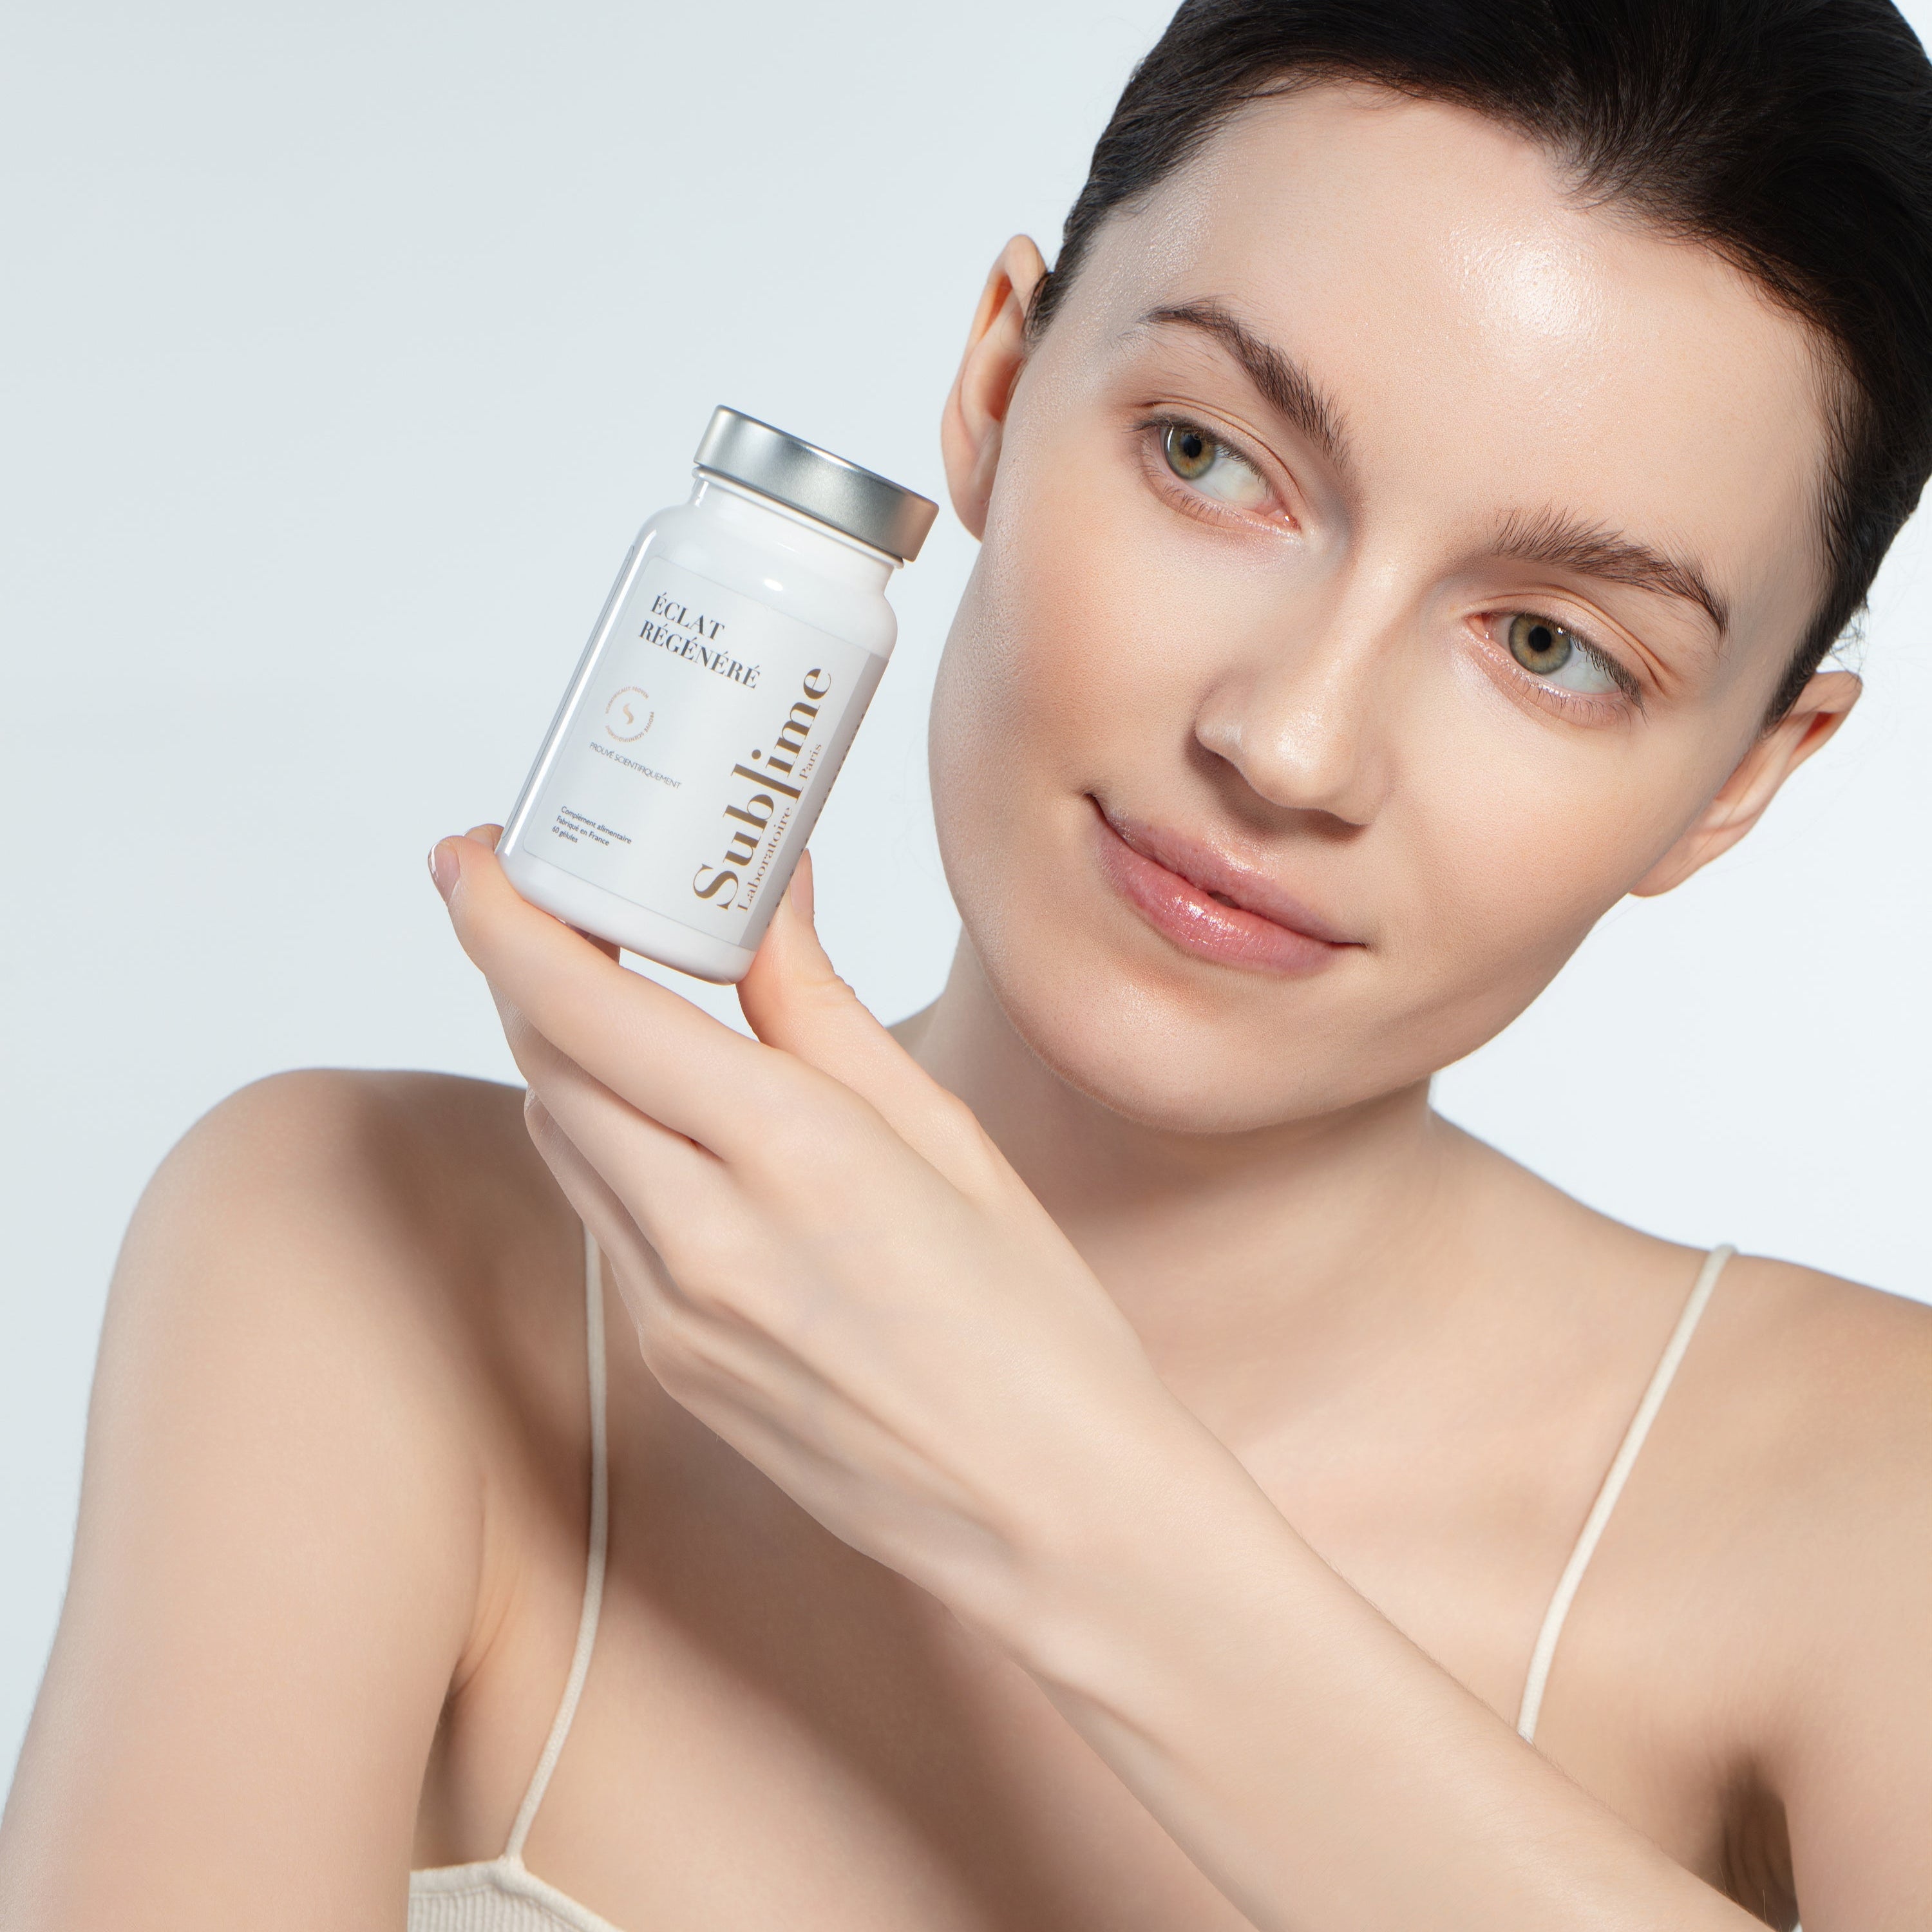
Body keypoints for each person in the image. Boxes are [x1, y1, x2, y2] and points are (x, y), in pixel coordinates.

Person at [3, 0, 1927, 1925]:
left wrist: (1053, 1475)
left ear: (1747, 776)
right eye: (1208, 454)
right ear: (997, 389)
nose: (1289, 746)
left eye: (1550, 647)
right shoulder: (374, 1257)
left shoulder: (1867, 1503)